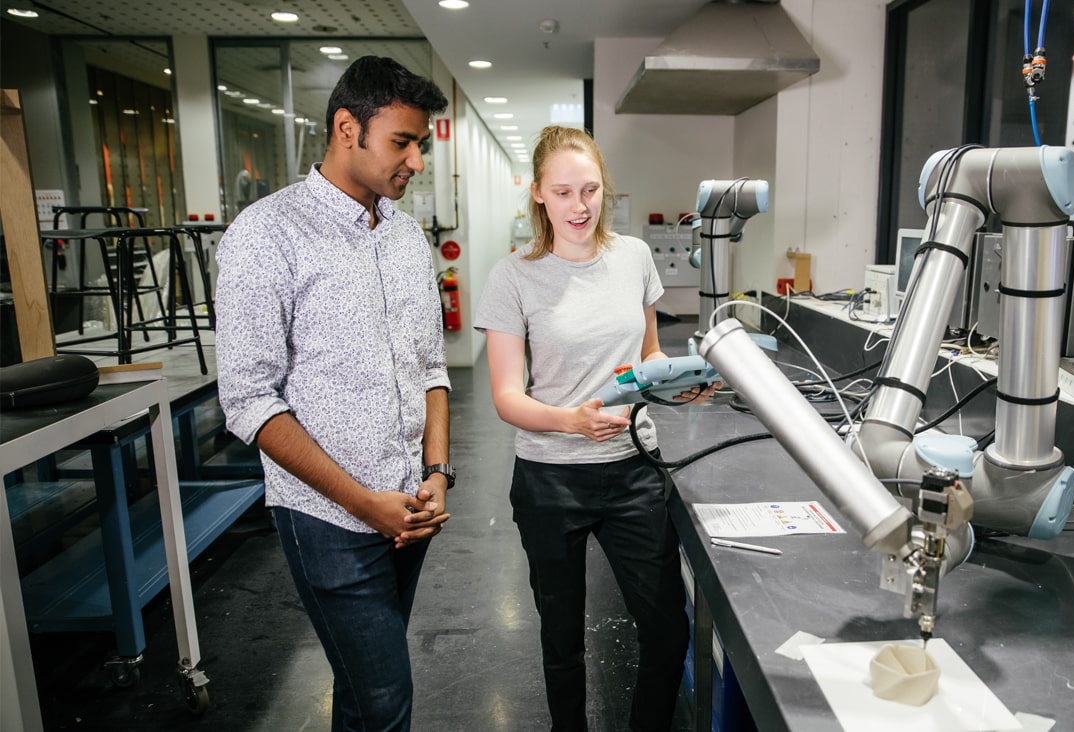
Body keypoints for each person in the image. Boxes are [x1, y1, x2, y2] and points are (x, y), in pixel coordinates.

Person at [214, 56, 453, 732]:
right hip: (330, 519)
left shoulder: (406, 237)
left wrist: (437, 472)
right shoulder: (267, 235)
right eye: (401, 142)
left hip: (408, 507)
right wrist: (363, 503)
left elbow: (431, 366)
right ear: (348, 128)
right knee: (383, 697)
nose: (415, 160)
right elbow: (249, 401)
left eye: (420, 144)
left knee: (361, 688)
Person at [474, 125, 717, 732]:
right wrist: (571, 421)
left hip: (634, 471)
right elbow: (506, 396)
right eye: (562, 193)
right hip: (551, 479)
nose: (579, 207)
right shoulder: (512, 277)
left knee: (666, 629)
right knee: (562, 639)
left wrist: (677, 380)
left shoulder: (632, 257)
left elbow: (649, 354)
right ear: (538, 195)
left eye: (590, 190)